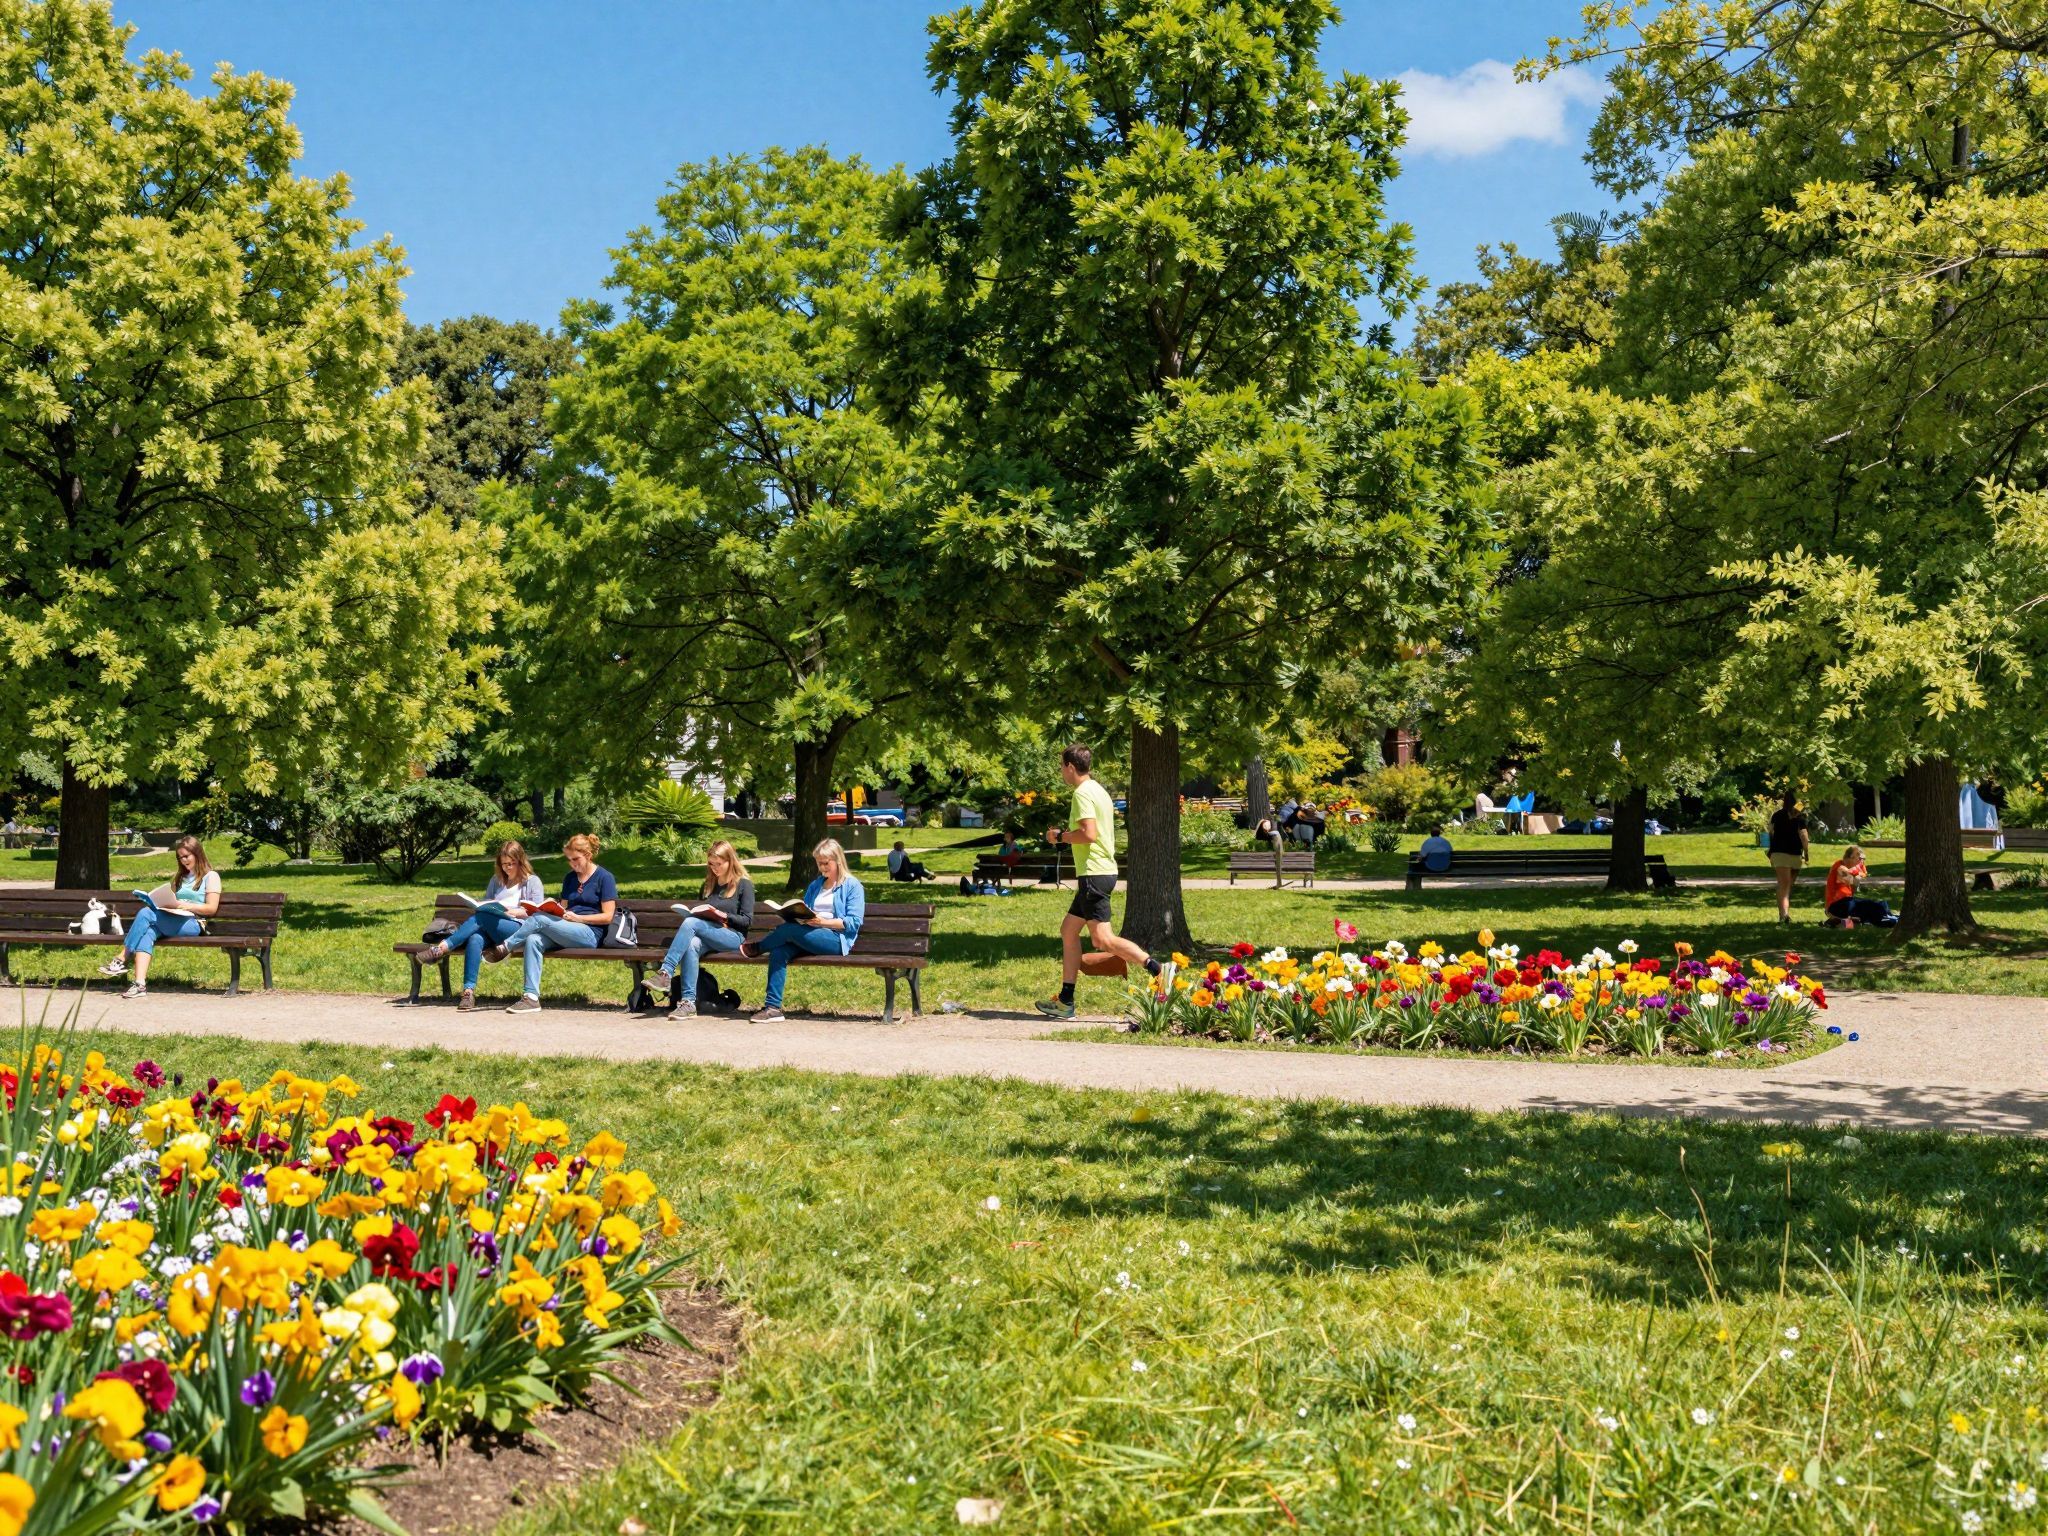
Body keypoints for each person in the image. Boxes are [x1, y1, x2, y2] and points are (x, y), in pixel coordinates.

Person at [1034, 743, 1167, 1019]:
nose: (1061, 771)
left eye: (1062, 766)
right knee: (1069, 930)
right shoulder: (1098, 790)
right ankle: (1065, 1000)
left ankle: (1156, 968)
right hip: (1098, 872)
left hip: (1094, 874)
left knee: (1102, 938)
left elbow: (1089, 834)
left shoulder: (1082, 793)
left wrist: (1060, 836)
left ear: (1071, 767)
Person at [741, 838, 864, 1022]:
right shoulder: (816, 885)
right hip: (809, 934)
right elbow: (806, 909)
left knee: (789, 931)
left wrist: (822, 922)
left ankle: (759, 947)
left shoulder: (852, 886)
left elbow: (853, 922)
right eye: (819, 863)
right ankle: (773, 1008)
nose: (822, 868)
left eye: (826, 863)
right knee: (779, 951)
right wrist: (795, 914)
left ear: (838, 860)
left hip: (835, 939)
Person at [416, 840, 544, 1012]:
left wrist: (510, 911)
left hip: (517, 930)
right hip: (492, 927)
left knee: (481, 917)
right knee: (475, 938)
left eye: (512, 863)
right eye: (504, 864)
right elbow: (487, 904)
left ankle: (440, 949)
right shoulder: (497, 880)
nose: (508, 868)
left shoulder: (532, 881)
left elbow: (536, 912)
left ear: (521, 861)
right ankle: (468, 992)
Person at [498, 833, 618, 1013]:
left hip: (590, 933)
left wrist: (579, 918)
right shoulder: (570, 878)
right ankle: (531, 998)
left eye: (576, 859)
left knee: (539, 920)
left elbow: (608, 916)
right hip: (567, 929)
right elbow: (562, 909)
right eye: (569, 860)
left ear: (588, 855)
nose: (572, 864)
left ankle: (505, 947)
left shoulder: (604, 877)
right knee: (533, 939)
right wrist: (551, 910)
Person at [97, 834, 219, 999]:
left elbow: (211, 908)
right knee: (148, 932)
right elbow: (172, 901)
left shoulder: (211, 876)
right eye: (180, 857)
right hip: (173, 918)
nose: (183, 860)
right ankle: (140, 985)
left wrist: (185, 905)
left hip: (193, 922)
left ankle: (122, 957)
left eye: (186, 856)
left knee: (146, 913)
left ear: (197, 853)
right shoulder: (181, 878)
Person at [647, 839, 754, 1019]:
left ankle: (666, 972)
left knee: (691, 924)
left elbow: (747, 921)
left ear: (730, 861)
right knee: (691, 944)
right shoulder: (708, 885)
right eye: (711, 864)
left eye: (719, 864)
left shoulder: (743, 885)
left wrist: (724, 916)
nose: (714, 868)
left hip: (733, 937)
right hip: (708, 934)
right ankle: (688, 1003)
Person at [1824, 845, 1897, 927]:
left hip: (1845, 903)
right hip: (1837, 906)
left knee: (1879, 904)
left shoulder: (1847, 868)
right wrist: (1858, 874)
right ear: (1851, 857)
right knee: (1873, 906)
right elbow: (1855, 881)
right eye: (1859, 859)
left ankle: (1888, 918)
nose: (1860, 862)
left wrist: (1858, 874)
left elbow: (1854, 886)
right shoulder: (1840, 868)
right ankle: (1889, 920)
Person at [1767, 790, 1810, 924]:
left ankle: (1783, 915)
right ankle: (1784, 915)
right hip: (1795, 854)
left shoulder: (1776, 815)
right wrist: (1806, 853)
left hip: (1779, 853)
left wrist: (1771, 848)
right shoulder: (1799, 817)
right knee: (1787, 886)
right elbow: (1804, 837)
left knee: (1783, 886)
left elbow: (1770, 832)